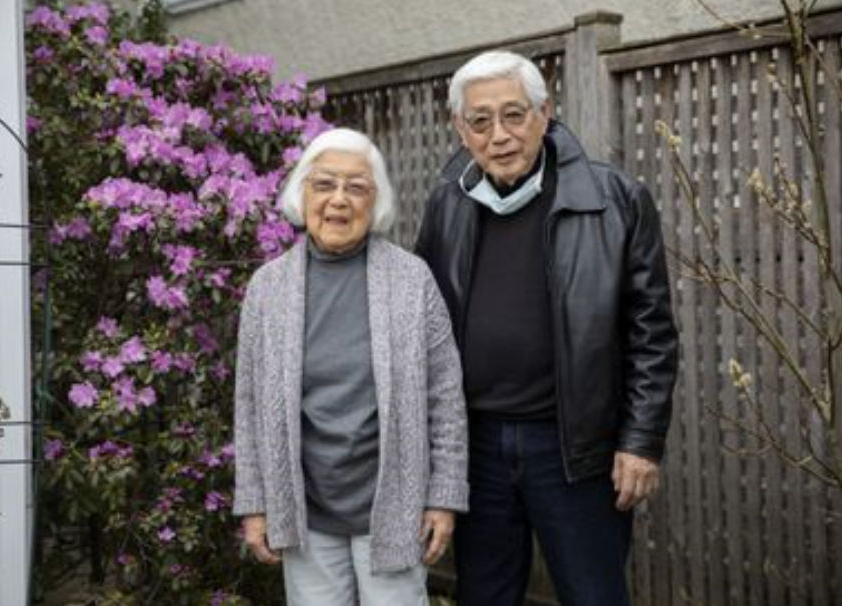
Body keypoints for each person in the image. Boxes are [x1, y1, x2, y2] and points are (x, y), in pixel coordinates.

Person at [415, 50, 678, 606]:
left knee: (593, 594)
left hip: (575, 448)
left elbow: (652, 333)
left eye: (514, 115)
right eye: (480, 121)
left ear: (544, 112)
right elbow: (426, 326)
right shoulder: (447, 204)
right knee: (484, 594)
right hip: (477, 448)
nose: (499, 135)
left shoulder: (615, 199)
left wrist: (641, 441)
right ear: (461, 130)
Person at [232, 127, 469, 606]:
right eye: (324, 185)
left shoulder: (411, 280)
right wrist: (255, 503)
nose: (339, 200)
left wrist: (442, 497)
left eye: (356, 187)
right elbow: (249, 405)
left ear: (375, 202)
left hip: (394, 508)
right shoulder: (267, 288)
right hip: (307, 511)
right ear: (302, 194)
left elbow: (445, 397)